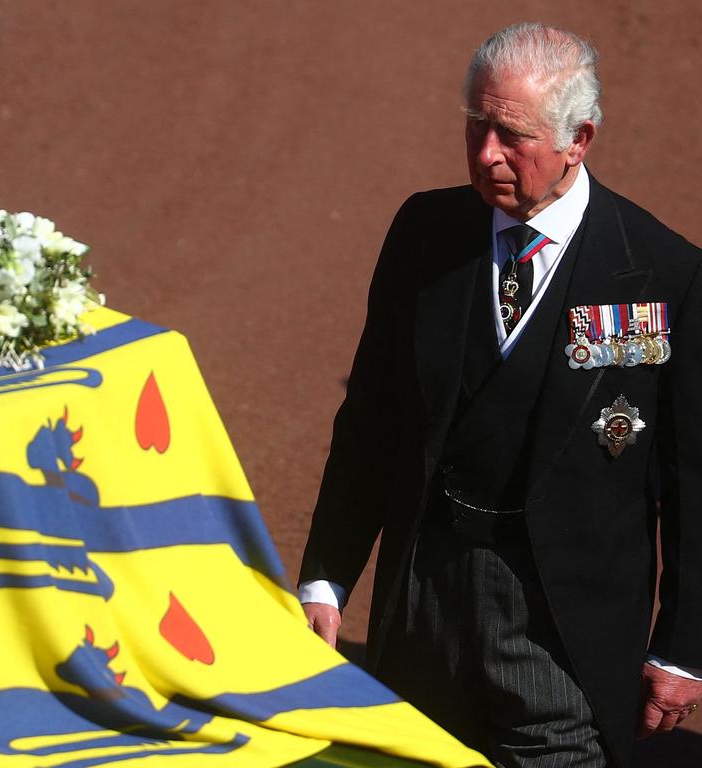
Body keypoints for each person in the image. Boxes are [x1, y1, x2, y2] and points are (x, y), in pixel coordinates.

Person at [298, 22, 702, 768]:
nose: (486, 154)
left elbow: (692, 481)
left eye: (511, 135)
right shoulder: (424, 232)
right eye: (477, 125)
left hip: (565, 629)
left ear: (578, 139)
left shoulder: (664, 274)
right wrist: (326, 575)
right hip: (425, 602)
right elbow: (373, 423)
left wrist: (682, 650)